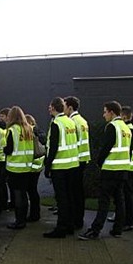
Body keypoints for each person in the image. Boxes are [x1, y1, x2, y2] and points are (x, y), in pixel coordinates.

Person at [78, 101, 131, 240]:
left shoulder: (112, 126)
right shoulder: (126, 128)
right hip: (123, 169)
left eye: (105, 112)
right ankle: (118, 229)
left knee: (104, 201)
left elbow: (105, 148)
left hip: (110, 169)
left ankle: (95, 230)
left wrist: (99, 163)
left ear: (112, 112)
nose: (104, 115)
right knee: (120, 200)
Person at [43, 97, 79, 238]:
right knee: (69, 197)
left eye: (49, 106)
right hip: (72, 164)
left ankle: (61, 227)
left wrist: (48, 166)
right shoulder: (70, 121)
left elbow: (53, 147)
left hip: (60, 166)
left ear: (53, 108)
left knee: (62, 198)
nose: (48, 109)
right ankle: (69, 225)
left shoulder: (56, 123)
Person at [4, 106, 34, 230]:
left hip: (15, 167)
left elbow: (9, 150)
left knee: (17, 195)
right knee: (23, 195)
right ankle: (23, 219)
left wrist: (3, 149)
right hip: (27, 166)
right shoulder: (28, 129)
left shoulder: (12, 130)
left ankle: (19, 221)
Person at [64, 96, 91, 229]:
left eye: (64, 106)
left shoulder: (72, 121)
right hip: (83, 159)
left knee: (73, 193)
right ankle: (79, 219)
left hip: (75, 160)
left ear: (70, 107)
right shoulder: (82, 120)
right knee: (78, 192)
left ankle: (75, 220)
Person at [120, 106, 133, 232]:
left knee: (128, 195)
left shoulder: (128, 129)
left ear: (124, 116)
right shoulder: (132, 128)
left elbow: (129, 149)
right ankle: (129, 218)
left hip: (129, 167)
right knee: (130, 194)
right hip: (132, 166)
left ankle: (128, 220)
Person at [25, 114, 46, 223]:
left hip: (31, 164)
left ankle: (34, 214)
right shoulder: (39, 131)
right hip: (39, 164)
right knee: (33, 190)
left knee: (31, 190)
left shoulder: (30, 131)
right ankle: (35, 212)